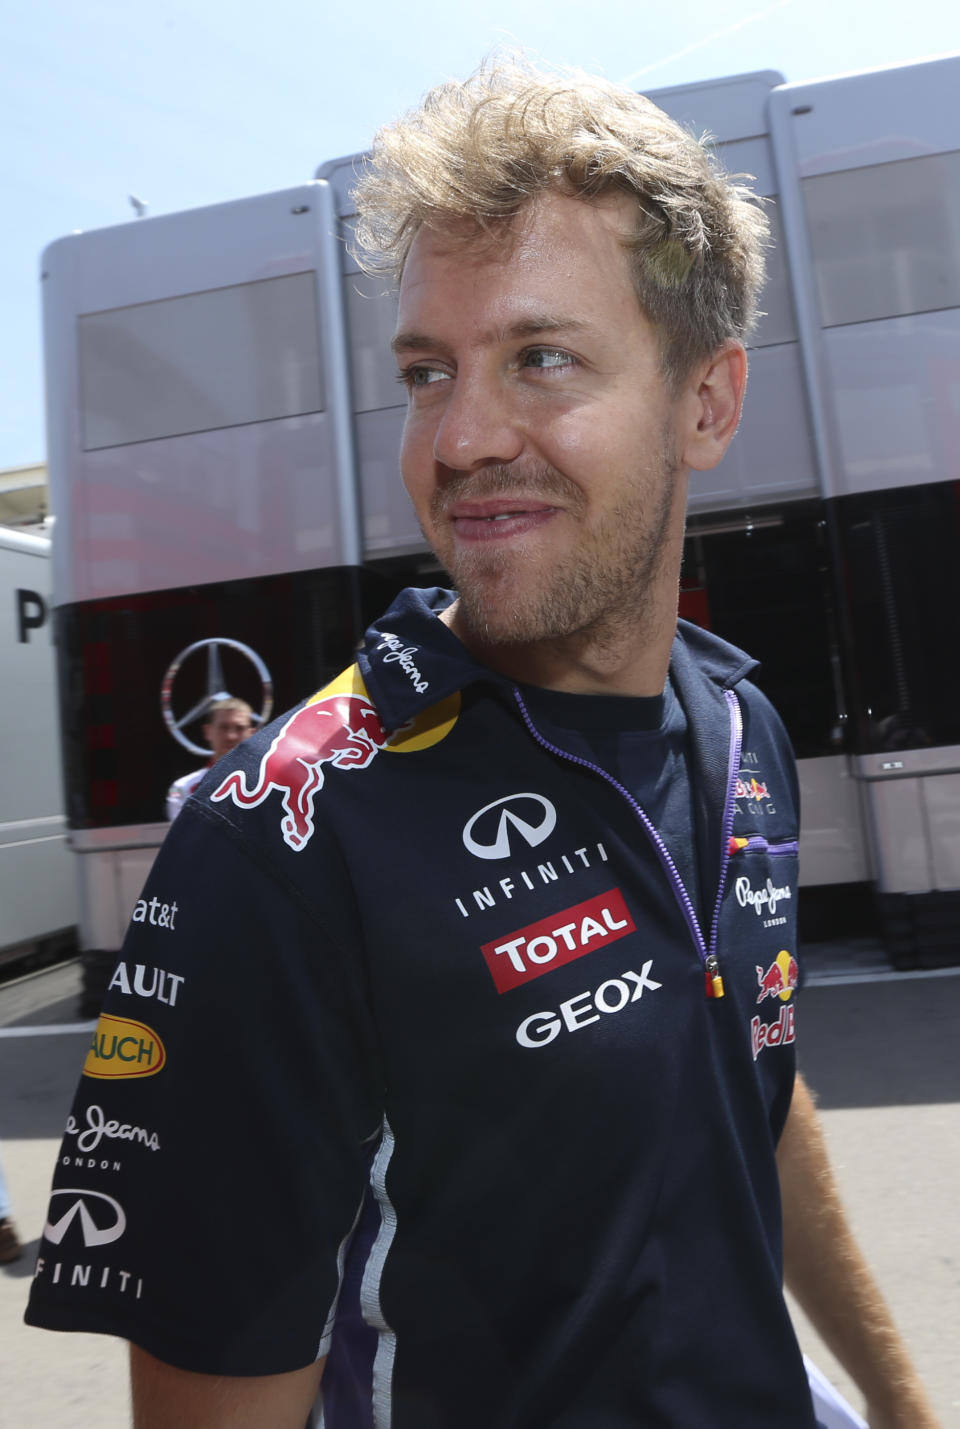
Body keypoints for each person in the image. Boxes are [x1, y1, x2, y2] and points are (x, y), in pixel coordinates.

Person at [25, 57, 939, 1429]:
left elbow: (747, 1057)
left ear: (708, 401)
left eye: (542, 358)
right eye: (427, 371)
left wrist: (903, 1407)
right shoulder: (281, 839)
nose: (459, 438)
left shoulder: (740, 720)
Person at [164, 697, 255, 820]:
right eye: (223, 727)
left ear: (252, 734)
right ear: (208, 731)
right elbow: (184, 838)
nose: (231, 736)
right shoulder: (184, 788)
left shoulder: (271, 786)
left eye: (239, 728)